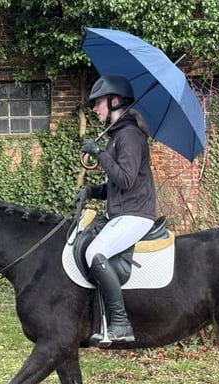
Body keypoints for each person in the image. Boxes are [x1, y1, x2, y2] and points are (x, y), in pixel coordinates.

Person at [73, 75, 157, 346]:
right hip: (124, 212)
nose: (95, 109)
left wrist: (99, 153)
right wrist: (91, 192)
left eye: (98, 103)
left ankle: (121, 323)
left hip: (136, 215)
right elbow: (116, 186)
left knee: (93, 252)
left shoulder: (131, 136)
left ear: (115, 101)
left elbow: (126, 179)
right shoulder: (118, 136)